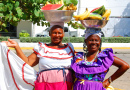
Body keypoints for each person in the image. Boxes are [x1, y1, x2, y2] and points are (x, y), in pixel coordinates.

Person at [2, 25, 74, 90]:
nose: (57, 35)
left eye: (59, 33)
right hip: (45, 84)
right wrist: (17, 47)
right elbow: (28, 63)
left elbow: (78, 65)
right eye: (54, 33)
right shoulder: (41, 48)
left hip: (66, 84)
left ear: (63, 34)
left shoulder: (69, 48)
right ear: (49, 34)